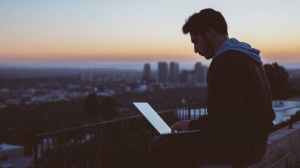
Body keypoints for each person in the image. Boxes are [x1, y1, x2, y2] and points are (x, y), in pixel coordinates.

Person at [149, 8, 276, 168]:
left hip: (242, 147)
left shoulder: (227, 60)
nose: (195, 49)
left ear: (210, 32)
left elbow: (227, 118)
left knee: (160, 146)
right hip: (256, 142)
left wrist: (190, 125)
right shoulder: (247, 56)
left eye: (196, 41)